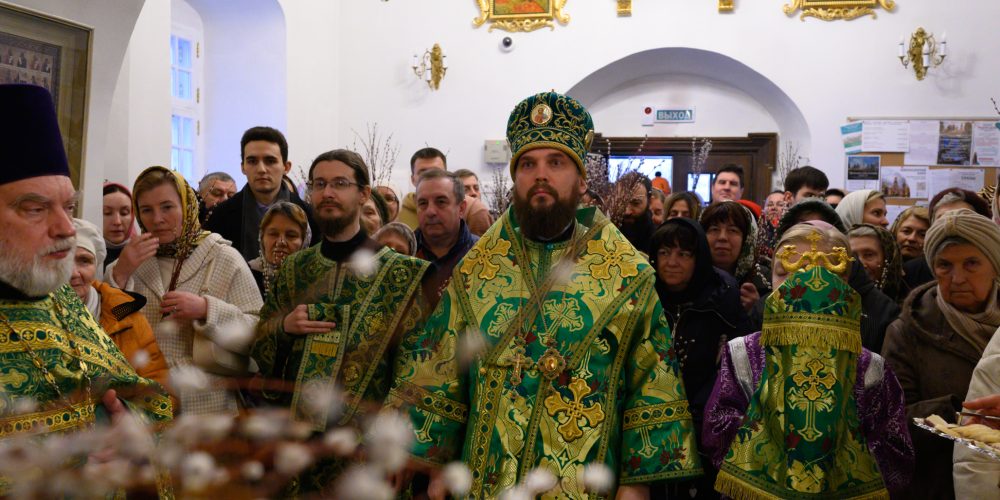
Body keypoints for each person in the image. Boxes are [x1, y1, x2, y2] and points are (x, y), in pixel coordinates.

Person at [389, 91, 702, 498]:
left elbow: (652, 386)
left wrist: (636, 485)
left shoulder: (627, 275)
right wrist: (433, 463)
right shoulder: (477, 270)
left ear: (581, 180)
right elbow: (441, 369)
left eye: (556, 163)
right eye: (528, 164)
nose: (541, 175)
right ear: (515, 178)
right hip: (486, 481)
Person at [0, 84, 171, 451]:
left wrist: (129, 428)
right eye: (36, 209)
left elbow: (148, 401)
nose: (66, 229)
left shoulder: (61, 301)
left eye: (69, 207)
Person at [251, 149, 430, 496]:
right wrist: (283, 328)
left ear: (363, 194)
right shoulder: (295, 269)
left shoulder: (405, 274)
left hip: (367, 453)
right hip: (300, 452)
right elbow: (259, 346)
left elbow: (418, 370)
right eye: (319, 184)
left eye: (339, 184)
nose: (327, 193)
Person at [704, 220, 913, 498]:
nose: (799, 287)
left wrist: (837, 445)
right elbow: (716, 430)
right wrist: (773, 431)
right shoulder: (742, 353)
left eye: (816, 274)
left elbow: (896, 451)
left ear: (843, 284)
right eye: (786, 273)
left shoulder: (869, 367)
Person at [108, 166, 263, 415]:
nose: (157, 219)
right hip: (145, 405)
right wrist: (120, 275)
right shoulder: (129, 263)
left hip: (208, 406)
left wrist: (207, 310)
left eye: (167, 207)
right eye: (146, 210)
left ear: (187, 206)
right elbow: (105, 333)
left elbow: (259, 332)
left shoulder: (223, 257)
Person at [881, 209, 1000, 499]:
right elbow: (889, 422)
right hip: (937, 485)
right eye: (944, 265)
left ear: (995, 265)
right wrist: (957, 412)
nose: (957, 278)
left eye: (971, 263)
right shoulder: (907, 332)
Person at [651, 218, 753, 499]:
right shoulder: (646, 295)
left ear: (699, 259)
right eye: (664, 253)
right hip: (651, 422)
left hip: (704, 426)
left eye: (684, 254)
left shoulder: (721, 298)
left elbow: (736, 368)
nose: (672, 262)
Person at [769, 199, 899, 353]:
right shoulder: (746, 353)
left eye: (806, 272)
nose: (789, 285)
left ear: (840, 280)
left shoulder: (868, 361)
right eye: (782, 272)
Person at [71, 217, 172, 395]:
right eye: (64, 262)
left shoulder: (127, 317)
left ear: (96, 266)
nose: (73, 273)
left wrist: (126, 409)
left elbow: (162, 391)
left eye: (84, 261)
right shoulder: (32, 316)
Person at [204, 126, 318, 261]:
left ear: (286, 167)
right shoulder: (220, 216)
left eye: (270, 161)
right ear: (243, 167)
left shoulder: (310, 216)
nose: (261, 169)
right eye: (252, 161)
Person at [413, 169, 479, 307]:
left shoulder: (482, 255)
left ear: (461, 209)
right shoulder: (405, 254)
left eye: (441, 202)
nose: (430, 211)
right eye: (423, 203)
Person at [700, 201, 770, 312]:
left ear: (747, 238)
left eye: (732, 230)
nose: (722, 237)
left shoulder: (765, 280)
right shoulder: (689, 278)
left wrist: (758, 308)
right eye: (714, 229)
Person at [248, 201, 310, 298]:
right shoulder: (246, 274)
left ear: (304, 241)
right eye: (273, 234)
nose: (281, 242)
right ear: (262, 237)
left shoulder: (315, 279)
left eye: (291, 235)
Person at [848, 223, 907, 304]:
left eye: (869, 255)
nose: (860, 263)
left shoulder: (906, 303)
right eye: (853, 256)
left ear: (887, 258)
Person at [398, 147, 447, 229]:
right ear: (413, 179)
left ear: (447, 177)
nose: (430, 177)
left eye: (436, 172)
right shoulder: (397, 214)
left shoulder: (462, 209)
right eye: (423, 173)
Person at [617, 171, 655, 255]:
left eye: (635, 203)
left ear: (650, 202)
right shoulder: (604, 235)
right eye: (622, 203)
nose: (627, 211)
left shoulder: (659, 241)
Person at [102, 182, 137, 269]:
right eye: (107, 213)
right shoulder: (83, 252)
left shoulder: (142, 253)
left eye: (124, 213)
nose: (117, 222)